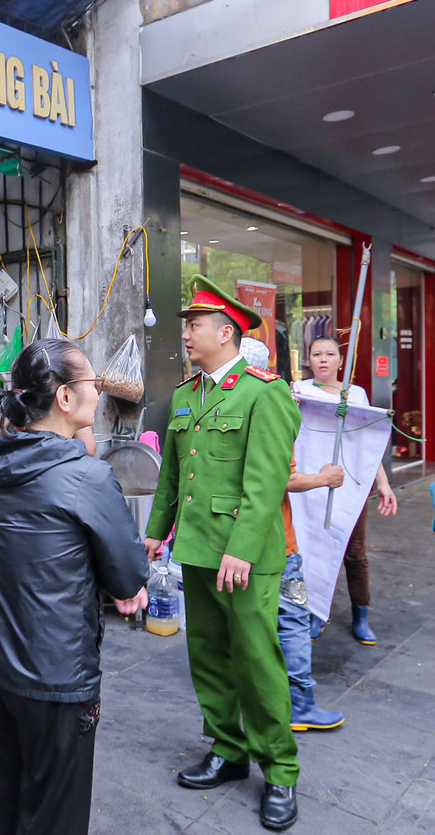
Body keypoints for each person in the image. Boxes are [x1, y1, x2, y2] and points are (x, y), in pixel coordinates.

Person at [0, 339, 148, 835]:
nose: (99, 390)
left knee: (1, 797)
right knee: (55, 813)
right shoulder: (87, 477)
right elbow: (128, 577)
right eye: (91, 382)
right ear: (65, 397)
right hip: (54, 672)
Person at [146, 275, 301, 832]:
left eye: (194, 325)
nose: (185, 333)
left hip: (246, 555)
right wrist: (157, 529)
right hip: (196, 547)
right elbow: (172, 474)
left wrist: (239, 549)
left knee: (258, 662)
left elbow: (265, 485)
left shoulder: (265, 392)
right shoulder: (187, 396)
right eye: (187, 325)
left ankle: (280, 770)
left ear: (226, 332)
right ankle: (229, 750)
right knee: (208, 656)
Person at [237, 336, 344, 732]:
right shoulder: (270, 403)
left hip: (230, 543)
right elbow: (280, 477)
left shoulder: (214, 401)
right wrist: (324, 477)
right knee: (293, 619)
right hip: (275, 542)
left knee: (248, 621)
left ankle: (249, 699)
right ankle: (299, 703)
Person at [294, 335, 398, 643]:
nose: (323, 359)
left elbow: (365, 446)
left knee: (354, 552)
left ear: (342, 361)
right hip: (311, 483)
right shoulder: (297, 391)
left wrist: (383, 483)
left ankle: (360, 614)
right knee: (310, 547)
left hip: (350, 485)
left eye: (329, 354)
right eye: (316, 354)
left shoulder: (357, 394)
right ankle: (314, 611)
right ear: (308, 360)